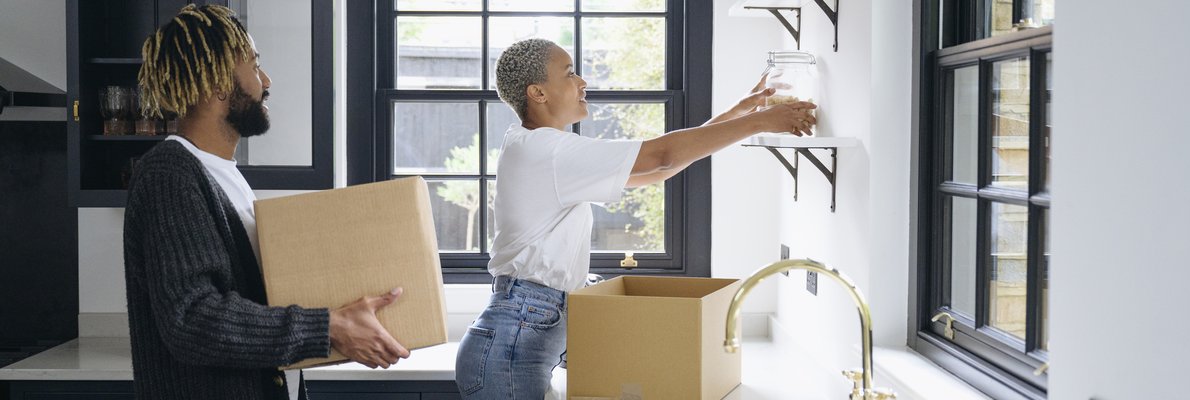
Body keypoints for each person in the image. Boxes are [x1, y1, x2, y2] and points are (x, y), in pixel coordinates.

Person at [454, 38, 816, 399]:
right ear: (538, 93)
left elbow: (657, 170)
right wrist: (762, 122)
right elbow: (661, 157)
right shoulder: (546, 152)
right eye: (569, 73)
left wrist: (738, 115)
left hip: (522, 328)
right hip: (513, 338)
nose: (582, 82)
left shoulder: (541, 148)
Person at [124, 5, 408, 400]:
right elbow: (192, 320)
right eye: (254, 66)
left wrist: (341, 321)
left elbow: (252, 307)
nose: (266, 81)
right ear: (220, 84)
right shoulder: (170, 175)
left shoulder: (221, 176)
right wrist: (327, 327)